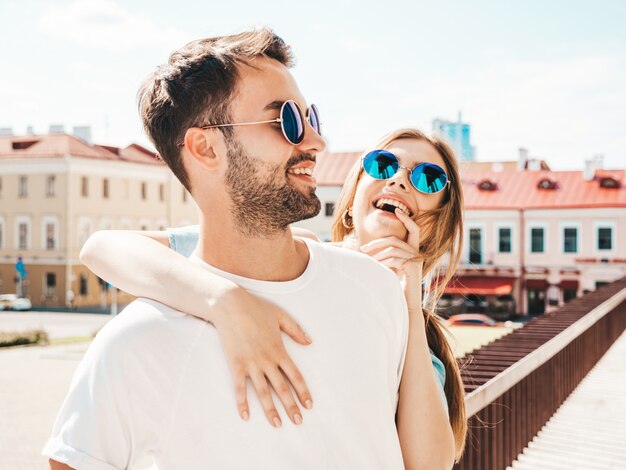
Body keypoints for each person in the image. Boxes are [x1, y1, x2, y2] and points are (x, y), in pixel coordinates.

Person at [44, 29, 436, 469]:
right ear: (205, 148)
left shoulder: (376, 291)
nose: (315, 142)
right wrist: (225, 302)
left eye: (313, 119)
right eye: (287, 120)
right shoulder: (135, 344)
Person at [79, 128, 468, 468]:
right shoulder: (288, 252)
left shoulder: (414, 340)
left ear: (436, 220)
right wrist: (225, 301)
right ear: (352, 196)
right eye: (383, 165)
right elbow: (102, 248)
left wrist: (410, 303)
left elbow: (428, 465)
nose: (399, 181)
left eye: (428, 178)